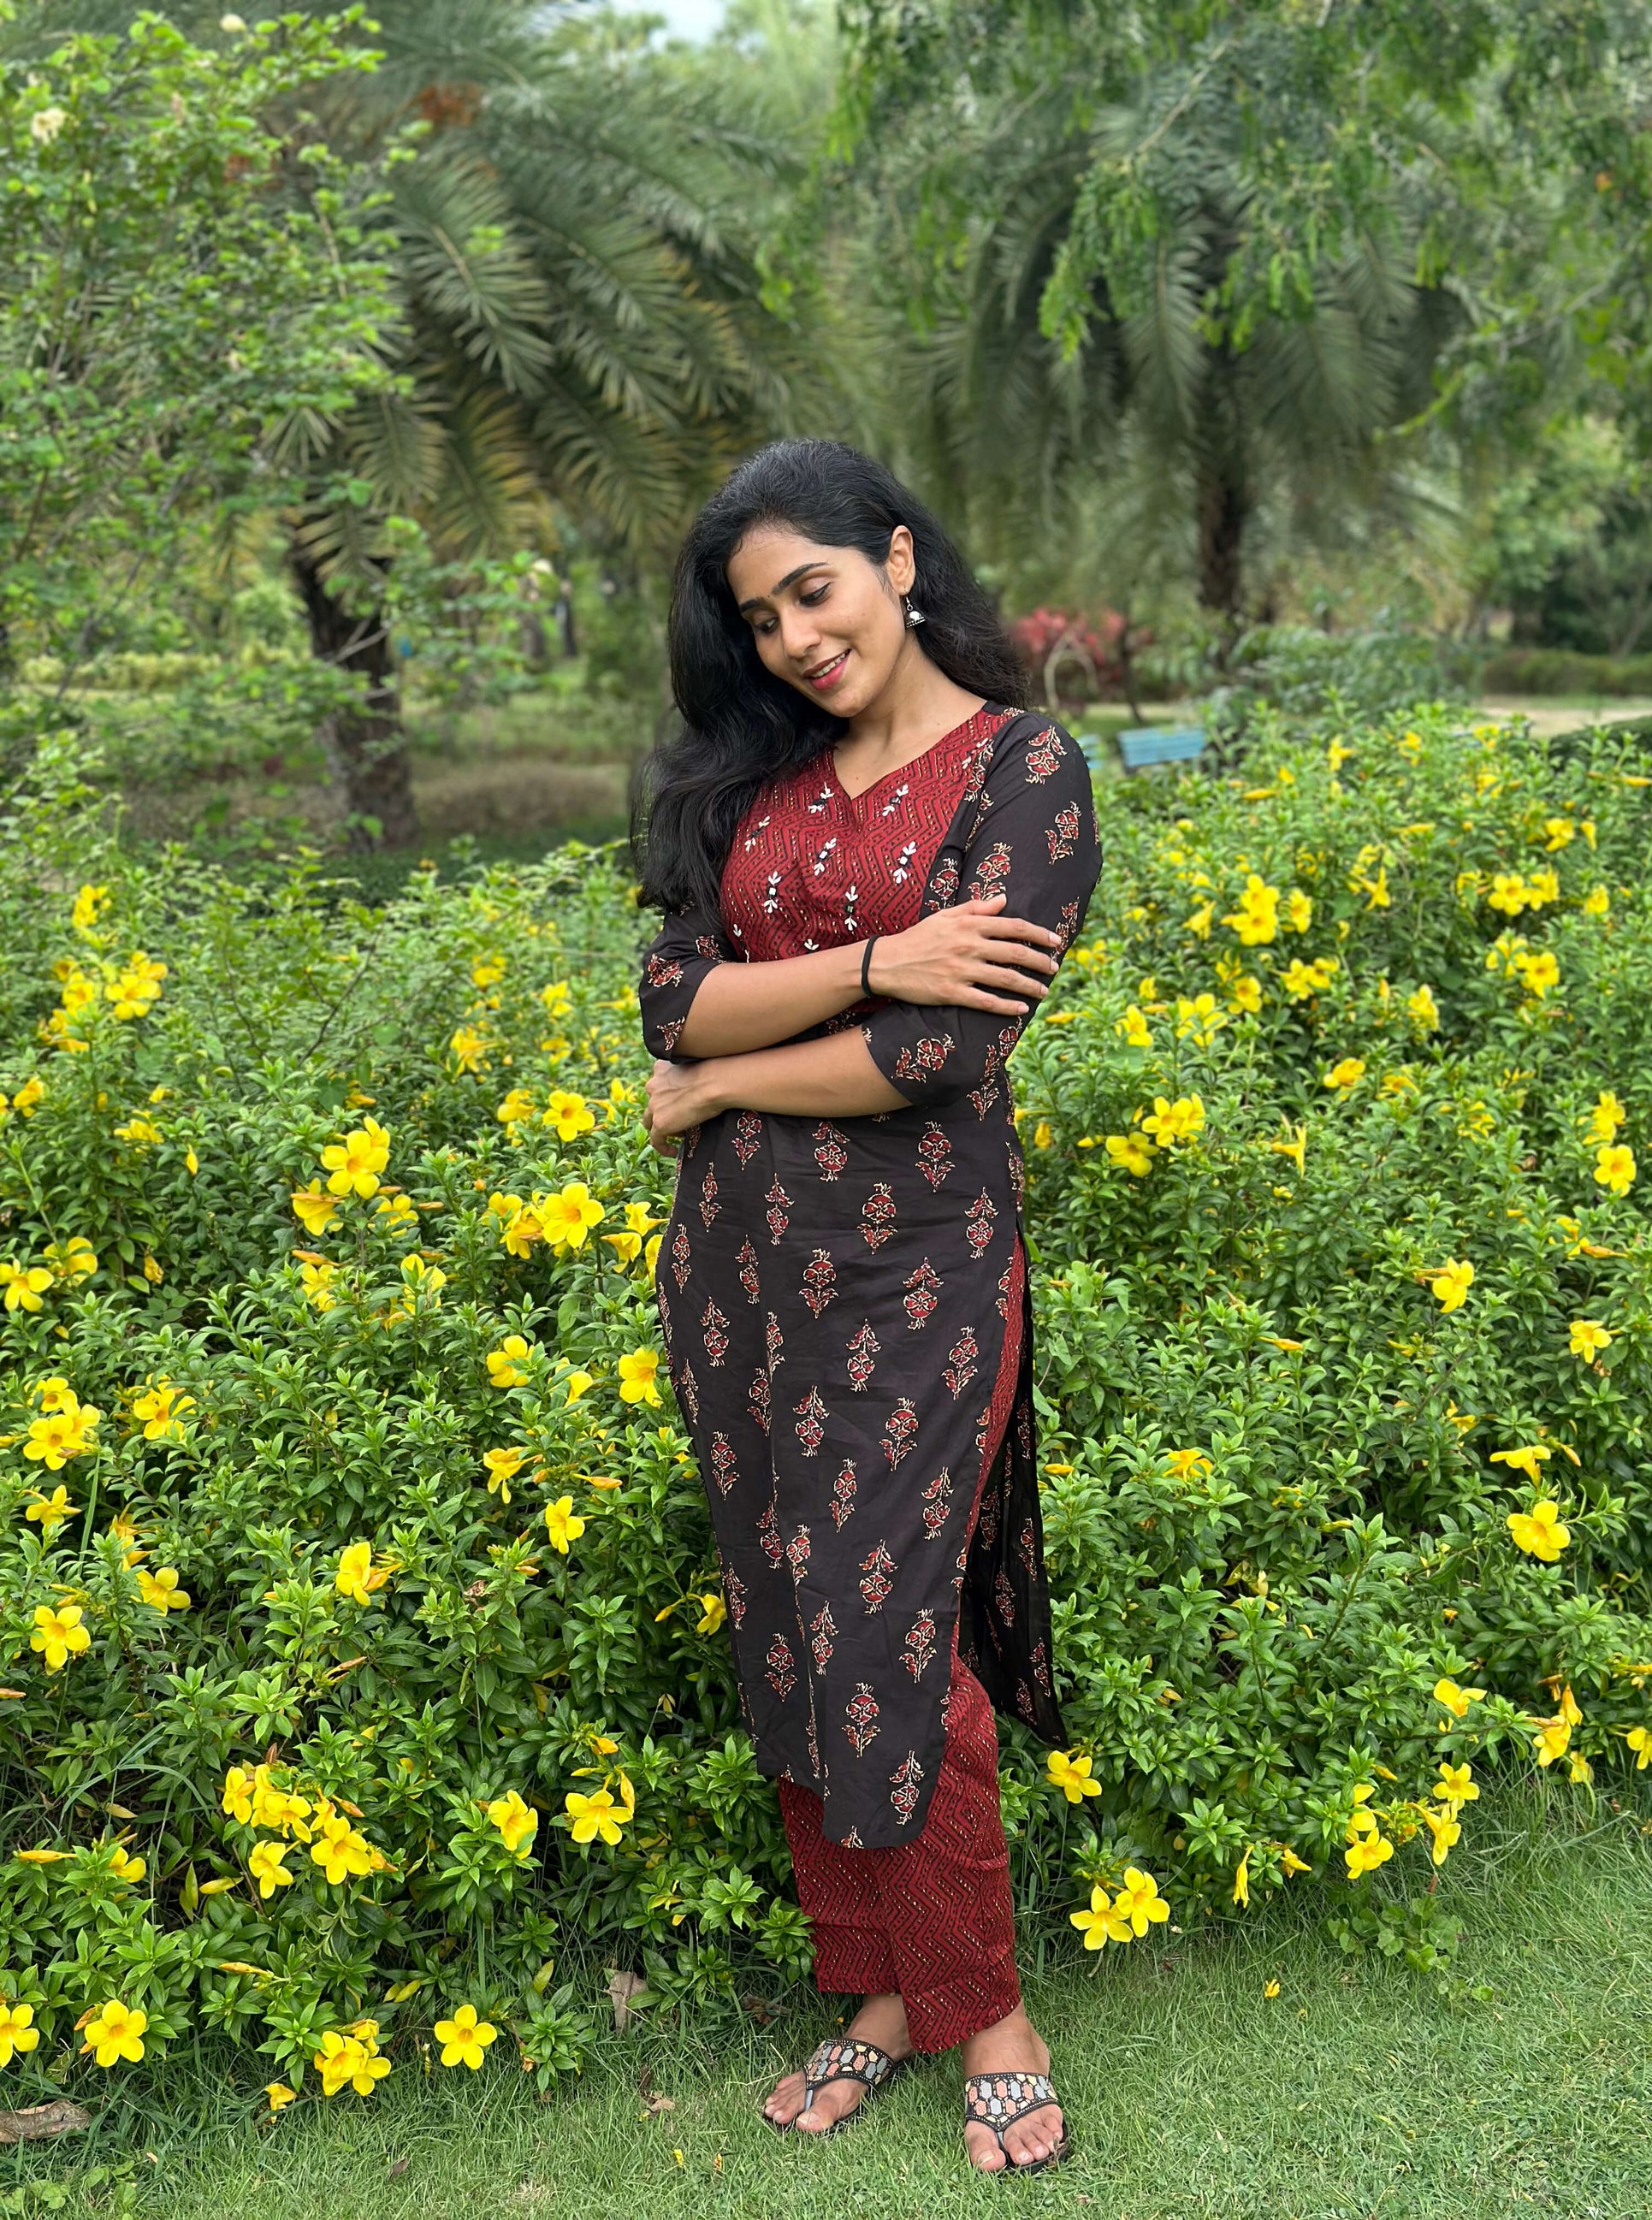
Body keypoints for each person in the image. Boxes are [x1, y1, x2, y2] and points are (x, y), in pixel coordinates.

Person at [632, 437, 1102, 2174]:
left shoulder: (1022, 771)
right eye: (759, 620)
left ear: (895, 560)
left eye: (811, 591)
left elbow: (940, 1056)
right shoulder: (750, 778)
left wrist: (721, 1077)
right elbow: (671, 994)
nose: (793, 640)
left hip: (919, 1275)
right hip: (737, 1272)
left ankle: (989, 2011)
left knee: (891, 1624)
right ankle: (883, 1992)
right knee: (786, 1616)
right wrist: (882, 957)